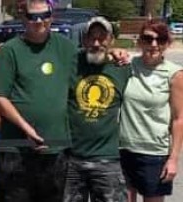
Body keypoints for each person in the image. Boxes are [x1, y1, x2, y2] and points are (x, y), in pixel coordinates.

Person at [0, 0, 77, 201]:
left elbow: (89, 72)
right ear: (23, 18)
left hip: (56, 148)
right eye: (33, 16)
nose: (39, 21)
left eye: (44, 15)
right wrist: (27, 128)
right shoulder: (10, 51)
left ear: (52, 16)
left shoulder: (67, 48)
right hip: (17, 149)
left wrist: (115, 54)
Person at [64, 16, 130, 202]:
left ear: (111, 40)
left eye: (102, 37)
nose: (96, 42)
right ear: (83, 40)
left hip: (108, 159)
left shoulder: (122, 68)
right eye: (91, 37)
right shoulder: (71, 64)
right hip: (72, 158)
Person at [120, 19, 183, 202]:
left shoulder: (175, 74)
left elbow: (179, 119)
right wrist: (116, 52)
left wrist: (173, 159)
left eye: (161, 39)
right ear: (139, 41)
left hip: (154, 153)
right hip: (123, 150)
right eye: (148, 39)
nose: (154, 44)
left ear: (167, 43)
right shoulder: (127, 65)